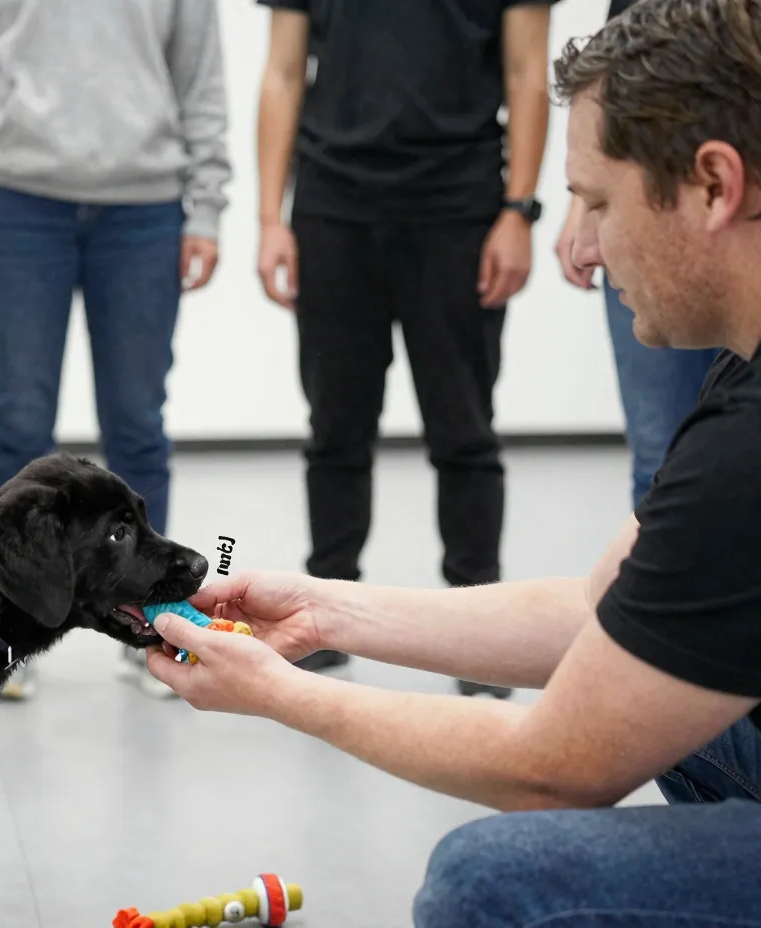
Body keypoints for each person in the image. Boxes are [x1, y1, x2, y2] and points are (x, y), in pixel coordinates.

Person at [145, 1, 761, 921]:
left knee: (491, 879)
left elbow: (555, 771)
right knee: (655, 687)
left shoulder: (743, 453)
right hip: (345, 201)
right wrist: (324, 609)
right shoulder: (739, 374)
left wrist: (279, 698)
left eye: (596, 201)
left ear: (714, 185)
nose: (583, 250)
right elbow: (605, 612)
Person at [0, 0, 231, 699]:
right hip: (16, 203)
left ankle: (159, 623)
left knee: (138, 423)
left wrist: (205, 204)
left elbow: (200, 77)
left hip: (147, 210)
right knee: (18, 421)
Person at [254, 0, 557, 692]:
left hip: (459, 206)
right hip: (333, 204)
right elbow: (282, 72)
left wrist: (519, 211)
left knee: (464, 430)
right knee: (335, 426)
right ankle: (320, 613)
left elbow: (527, 70)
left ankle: (478, 624)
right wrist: (272, 217)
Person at [555, 0, 721, 511]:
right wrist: (587, 201)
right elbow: (617, 73)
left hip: (713, 214)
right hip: (658, 192)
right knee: (660, 465)